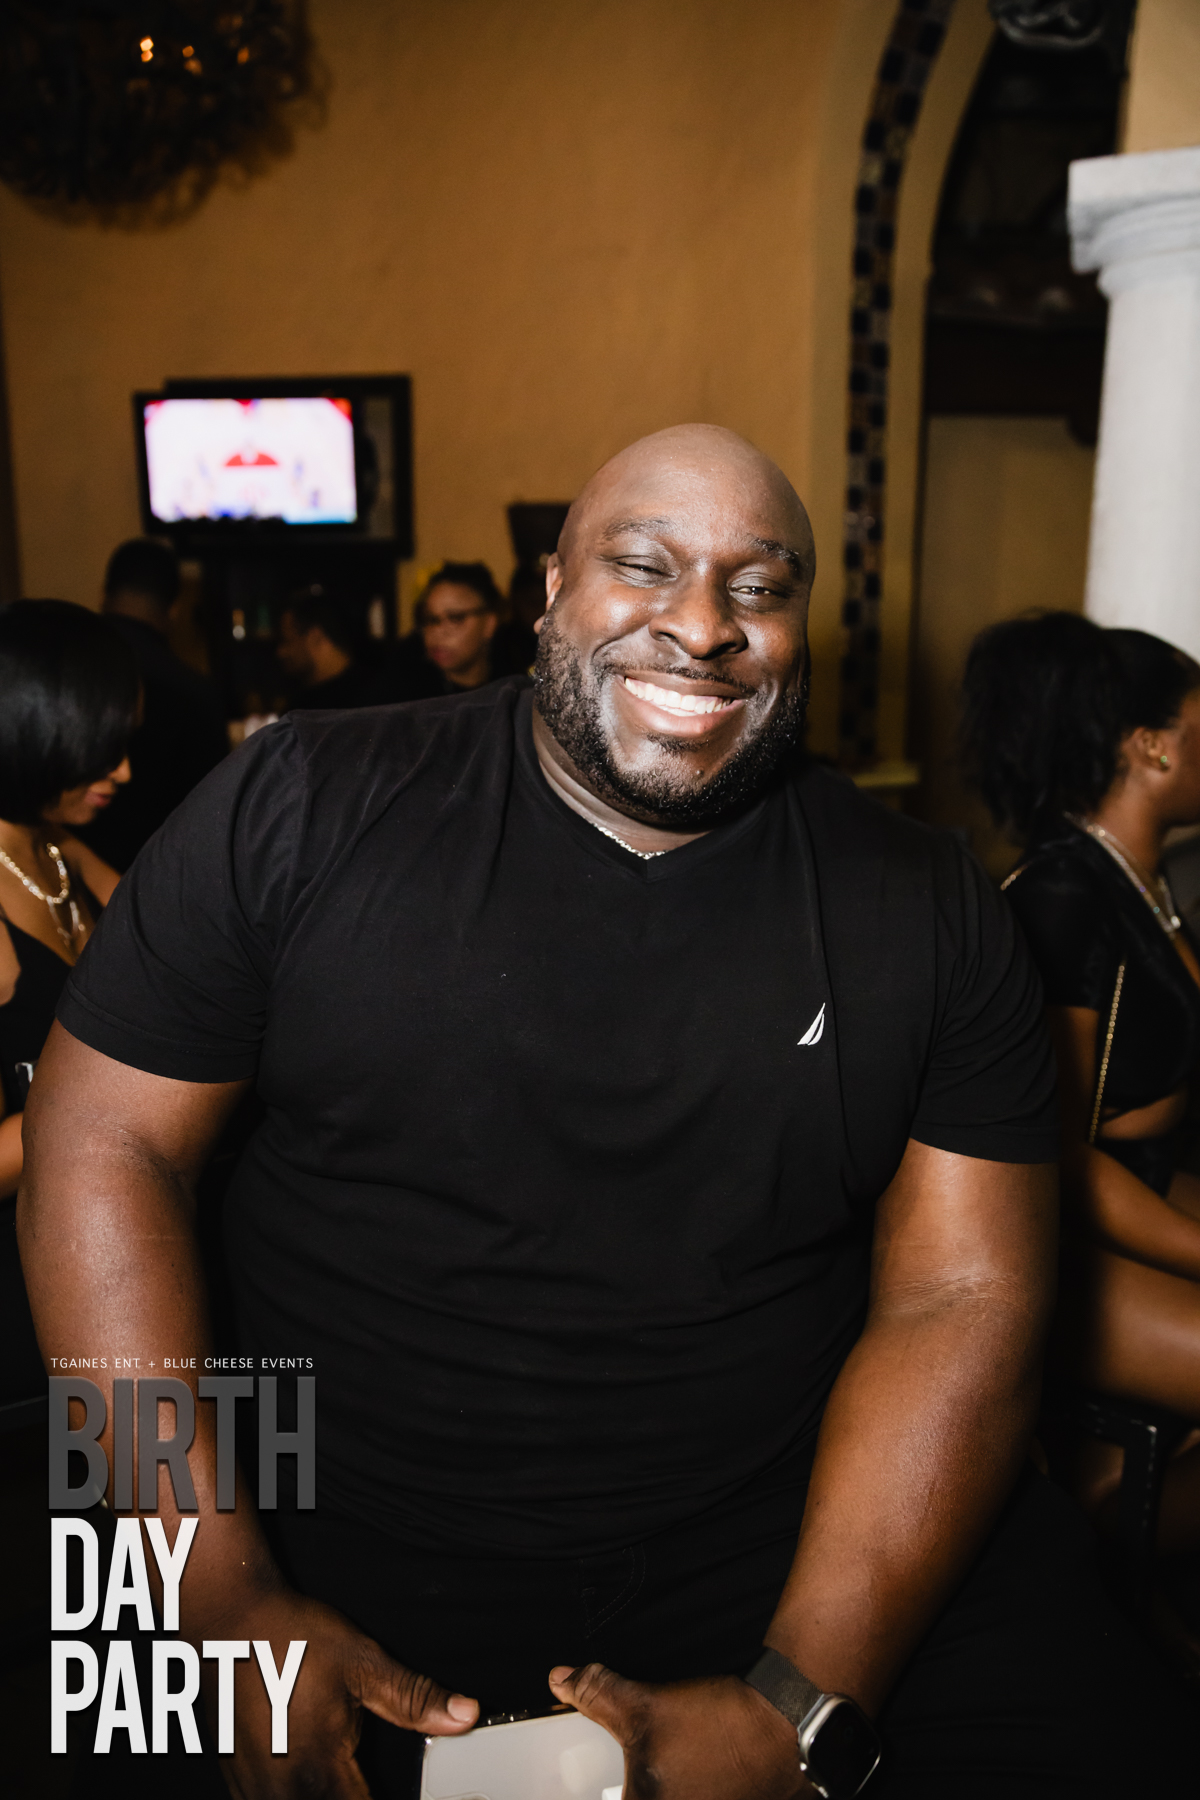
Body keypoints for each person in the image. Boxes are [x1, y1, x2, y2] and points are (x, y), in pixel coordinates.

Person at [20, 429, 1195, 1799]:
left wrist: (806, 1699)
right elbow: (105, 1149)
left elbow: (962, 1294)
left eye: (758, 588)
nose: (701, 624)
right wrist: (217, 1593)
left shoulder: (924, 901)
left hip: (794, 1535)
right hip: (308, 1521)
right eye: (643, 566)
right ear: (550, 592)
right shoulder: (299, 805)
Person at [962, 612, 1200, 1560]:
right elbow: (1058, 1151)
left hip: (1138, 1198)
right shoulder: (1062, 893)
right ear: (1151, 745)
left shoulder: (1144, 882)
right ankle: (1104, 1554)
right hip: (1058, 1240)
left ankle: (1122, 1528)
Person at [0, 599, 137, 1403]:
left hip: (93, 1258)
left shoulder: (58, 851)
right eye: (99, 751)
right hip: (22, 1292)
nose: (123, 773)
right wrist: (107, 1098)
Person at [81, 538, 228, 872]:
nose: (123, 772)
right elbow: (214, 815)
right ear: (174, 609)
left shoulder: (64, 672)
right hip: (166, 875)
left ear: (104, 594)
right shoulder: (197, 692)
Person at [389, 561, 537, 700]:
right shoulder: (401, 688)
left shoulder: (519, 680)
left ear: (489, 623)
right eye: (431, 619)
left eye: (455, 618)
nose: (438, 631)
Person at [276, 583, 384, 710]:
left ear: (315, 637)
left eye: (287, 641)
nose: (280, 652)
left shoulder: (373, 701)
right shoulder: (301, 702)